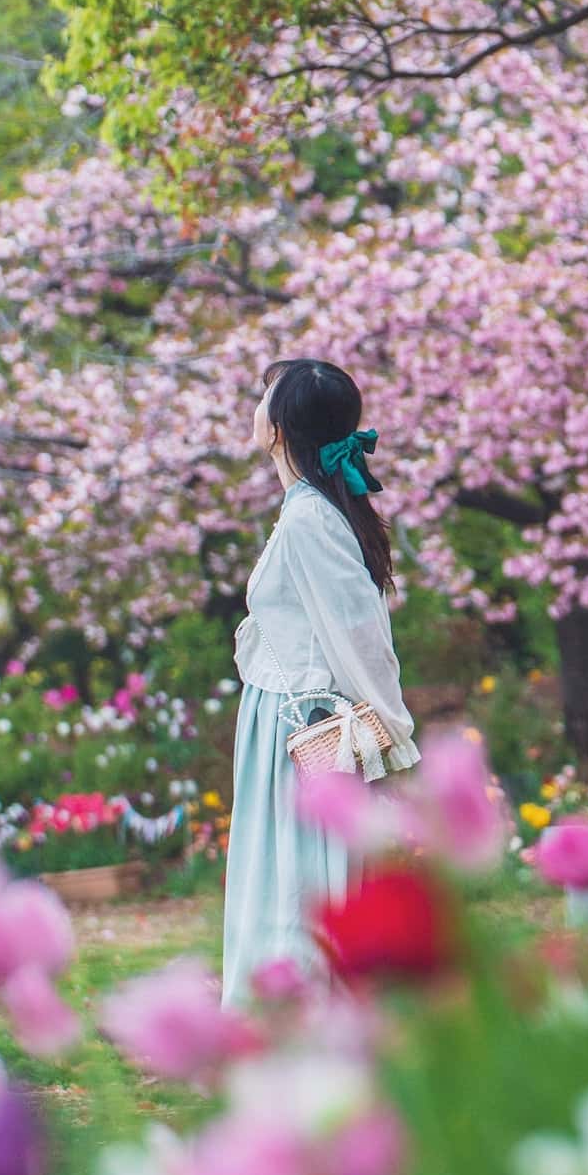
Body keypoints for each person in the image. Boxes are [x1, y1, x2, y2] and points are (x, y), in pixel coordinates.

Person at [221, 356, 418, 1005]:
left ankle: (302, 1016)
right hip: (278, 718)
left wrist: (394, 737)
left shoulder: (310, 518)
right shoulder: (308, 508)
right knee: (284, 878)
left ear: (279, 427)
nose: (254, 406)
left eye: (264, 396)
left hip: (302, 729)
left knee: (296, 883)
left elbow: (361, 633)